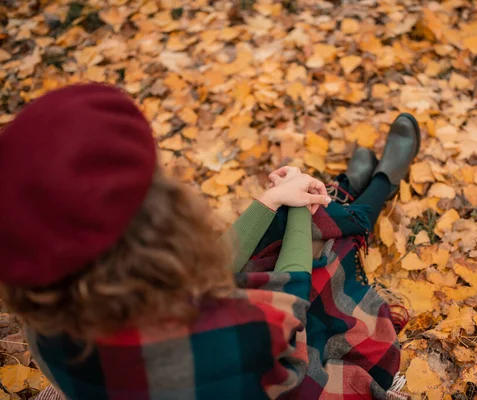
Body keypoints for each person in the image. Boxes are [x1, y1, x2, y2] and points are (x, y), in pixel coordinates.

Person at [0, 84, 420, 400]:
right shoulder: (224, 346)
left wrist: (271, 199)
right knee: (325, 235)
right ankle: (378, 185)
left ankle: (347, 191)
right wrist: (296, 214)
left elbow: (196, 273)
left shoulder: (50, 324)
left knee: (290, 217)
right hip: (275, 374)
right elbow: (290, 297)